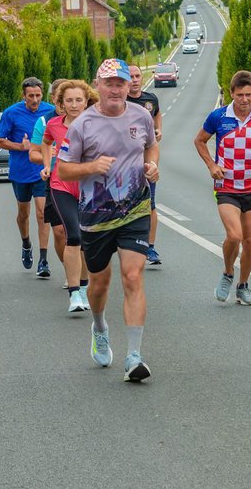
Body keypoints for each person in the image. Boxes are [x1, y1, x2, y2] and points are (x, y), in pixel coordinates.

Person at [58, 58, 159, 382]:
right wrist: (90, 167)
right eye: (109, 83)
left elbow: (152, 147)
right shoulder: (82, 125)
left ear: (129, 85)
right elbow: (63, 169)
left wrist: (151, 166)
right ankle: (100, 325)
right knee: (100, 283)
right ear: (97, 86)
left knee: (132, 276)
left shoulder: (141, 115)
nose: (116, 89)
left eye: (121, 83)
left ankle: (134, 355)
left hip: (134, 209)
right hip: (96, 216)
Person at [194, 70, 251, 305]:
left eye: (249, 95)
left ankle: (243, 285)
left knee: (249, 240)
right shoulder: (219, 116)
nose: (244, 100)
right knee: (234, 235)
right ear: (231, 93)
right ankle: (228, 272)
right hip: (227, 185)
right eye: (239, 95)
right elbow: (199, 140)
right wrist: (211, 165)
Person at [42, 80, 98, 313]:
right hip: (61, 185)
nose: (74, 105)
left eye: (78, 100)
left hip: (90, 187)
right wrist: (47, 164)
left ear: (87, 101)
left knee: (86, 239)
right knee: (72, 235)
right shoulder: (54, 124)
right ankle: (74, 293)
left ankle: (84, 288)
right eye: (69, 100)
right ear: (61, 103)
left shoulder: (97, 124)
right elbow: (46, 143)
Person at [0, 77, 54, 278]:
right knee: (23, 214)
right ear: (23, 96)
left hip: (41, 170)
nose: (35, 100)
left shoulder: (50, 111)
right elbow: (0, 140)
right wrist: (19, 147)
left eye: (38, 95)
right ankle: (26, 242)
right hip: (20, 171)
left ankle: (43, 259)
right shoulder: (11, 113)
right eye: (31, 96)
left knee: (42, 212)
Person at [29, 80, 67, 282]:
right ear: (53, 99)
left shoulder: (87, 118)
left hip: (82, 182)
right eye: (60, 99)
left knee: (81, 233)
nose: (65, 103)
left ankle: (84, 274)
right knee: (60, 232)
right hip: (55, 181)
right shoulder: (45, 122)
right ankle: (70, 271)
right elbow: (33, 154)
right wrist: (47, 159)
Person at [127, 64, 163, 265]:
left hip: (146, 163)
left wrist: (158, 130)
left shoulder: (150, 99)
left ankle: (150, 247)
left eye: (137, 75)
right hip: (124, 165)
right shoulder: (120, 101)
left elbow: (157, 114)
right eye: (130, 76)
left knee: (150, 204)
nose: (134, 79)